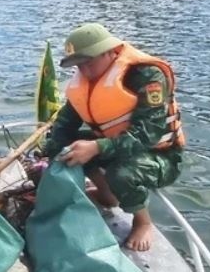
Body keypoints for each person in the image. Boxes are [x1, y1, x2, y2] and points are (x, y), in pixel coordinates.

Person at [42, 23, 185, 252]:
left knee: (122, 173)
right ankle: (107, 195)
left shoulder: (147, 76)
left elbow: (149, 133)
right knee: (66, 148)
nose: (84, 71)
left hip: (160, 153)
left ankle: (143, 221)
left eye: (89, 62)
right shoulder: (86, 81)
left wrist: (97, 147)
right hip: (116, 144)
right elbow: (65, 124)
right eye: (79, 65)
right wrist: (52, 148)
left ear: (110, 51)